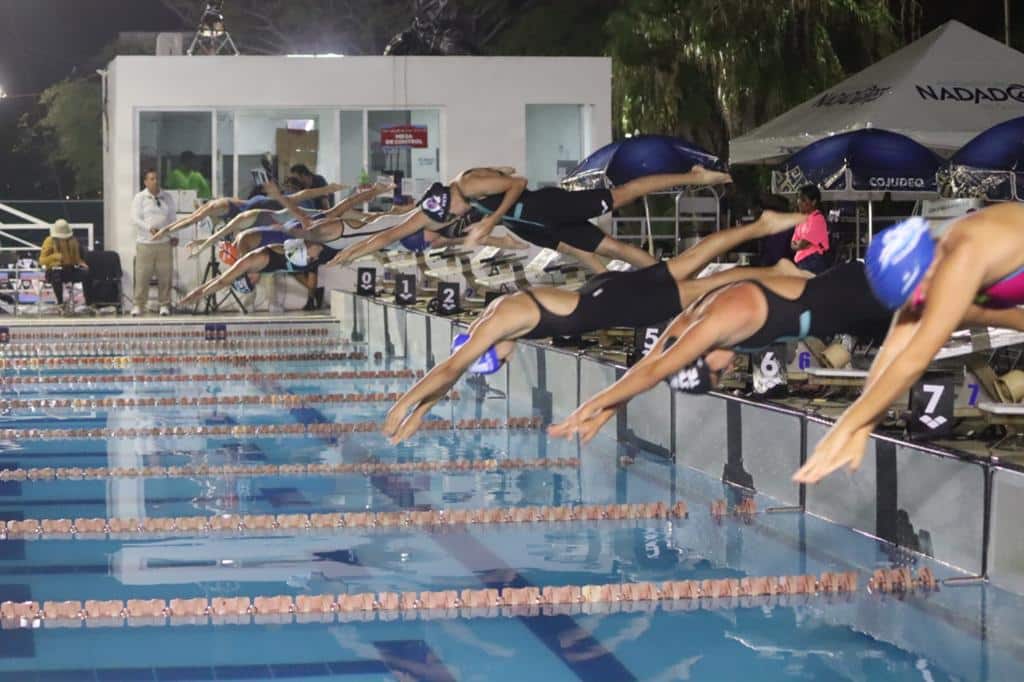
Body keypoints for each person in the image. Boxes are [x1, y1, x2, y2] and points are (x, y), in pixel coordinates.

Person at [382, 211, 809, 443]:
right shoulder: (498, 319)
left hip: (617, 304)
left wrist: (404, 405)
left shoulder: (499, 326)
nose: (506, 360)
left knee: (709, 285)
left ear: (493, 352)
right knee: (690, 267)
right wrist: (423, 411)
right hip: (603, 292)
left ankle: (779, 271)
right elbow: (452, 372)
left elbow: (448, 371)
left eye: (497, 362)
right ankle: (762, 231)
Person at [548, 261, 904, 444]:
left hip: (855, 299)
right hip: (844, 306)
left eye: (716, 374)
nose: (727, 370)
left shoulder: (720, 321)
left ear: (701, 356)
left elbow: (656, 371)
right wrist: (608, 411)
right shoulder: (690, 320)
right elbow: (649, 365)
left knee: (952, 310)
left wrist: (589, 405)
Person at [795, 204, 1024, 484]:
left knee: (948, 316)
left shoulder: (964, 255)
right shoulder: (926, 261)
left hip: (1004, 273)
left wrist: (845, 427)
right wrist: (865, 426)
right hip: (1008, 291)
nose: (918, 305)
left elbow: (913, 361)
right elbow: (891, 352)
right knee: (953, 313)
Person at [325, 165, 732, 272]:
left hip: (545, 207)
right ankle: (666, 282)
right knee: (608, 249)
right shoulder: (434, 213)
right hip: (531, 227)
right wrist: (344, 254)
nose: (455, 217)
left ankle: (690, 177)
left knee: (622, 195)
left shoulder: (469, 183)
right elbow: (387, 235)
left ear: (450, 196)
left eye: (453, 211)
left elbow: (518, 182)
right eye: (447, 217)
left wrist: (490, 220)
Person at [153, 178, 345, 240]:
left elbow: (189, 220)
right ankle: (329, 191)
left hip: (254, 209)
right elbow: (190, 219)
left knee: (298, 201)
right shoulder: (222, 206)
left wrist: (163, 230)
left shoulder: (218, 206)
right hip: (253, 211)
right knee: (298, 200)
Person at [177, 239, 329, 308]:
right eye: (253, 286)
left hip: (307, 247)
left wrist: (194, 296)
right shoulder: (253, 267)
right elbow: (220, 280)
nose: (256, 283)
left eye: (252, 283)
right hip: (306, 255)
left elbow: (221, 282)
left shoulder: (250, 262)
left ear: (247, 276)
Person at [131, 169, 177, 316]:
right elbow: (135, 218)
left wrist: (174, 234)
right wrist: (149, 228)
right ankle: (139, 305)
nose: (155, 181)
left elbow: (172, 218)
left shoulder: (167, 197)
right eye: (151, 179)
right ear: (145, 182)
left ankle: (164, 304)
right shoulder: (140, 198)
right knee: (142, 276)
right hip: (145, 243)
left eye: (156, 178)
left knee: (165, 275)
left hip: (164, 243)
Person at [39, 219, 89, 310]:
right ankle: (60, 303)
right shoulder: (49, 241)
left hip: (69, 270)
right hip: (53, 271)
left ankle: (90, 300)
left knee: (87, 274)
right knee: (56, 275)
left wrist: (82, 263)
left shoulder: (73, 241)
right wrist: (54, 257)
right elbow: (42, 260)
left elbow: (77, 259)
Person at [790, 185, 830, 274]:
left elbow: (802, 244)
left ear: (814, 202)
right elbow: (793, 244)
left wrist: (799, 244)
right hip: (802, 262)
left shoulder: (818, 219)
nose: (799, 202)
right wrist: (799, 244)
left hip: (813, 262)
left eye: (803, 200)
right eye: (798, 199)